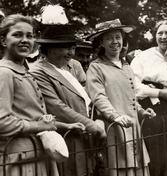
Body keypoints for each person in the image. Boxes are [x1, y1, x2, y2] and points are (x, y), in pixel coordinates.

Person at [0, 14, 85, 176]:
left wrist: (64, 125)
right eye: (17, 35)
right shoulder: (4, 73)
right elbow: (2, 122)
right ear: (4, 40)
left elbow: (32, 115)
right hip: (18, 159)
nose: (25, 40)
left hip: (36, 155)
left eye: (29, 36)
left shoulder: (25, 71)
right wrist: (40, 126)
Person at [29, 6, 106, 176]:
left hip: (84, 138)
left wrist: (98, 119)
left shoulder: (67, 68)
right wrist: (91, 125)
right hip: (66, 138)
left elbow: (86, 96)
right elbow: (57, 107)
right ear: (49, 49)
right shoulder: (38, 72)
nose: (71, 53)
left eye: (72, 48)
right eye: (66, 48)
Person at [86, 19, 155, 176]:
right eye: (109, 38)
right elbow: (99, 98)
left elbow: (131, 98)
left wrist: (142, 111)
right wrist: (115, 116)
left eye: (118, 37)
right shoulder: (96, 67)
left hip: (133, 128)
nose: (115, 42)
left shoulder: (126, 66)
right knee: (121, 168)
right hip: (115, 129)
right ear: (101, 42)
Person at [130, 20, 167, 176]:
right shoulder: (143, 57)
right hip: (151, 106)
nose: (164, 37)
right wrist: (159, 93)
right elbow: (133, 85)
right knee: (156, 152)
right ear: (155, 36)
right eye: (160, 33)